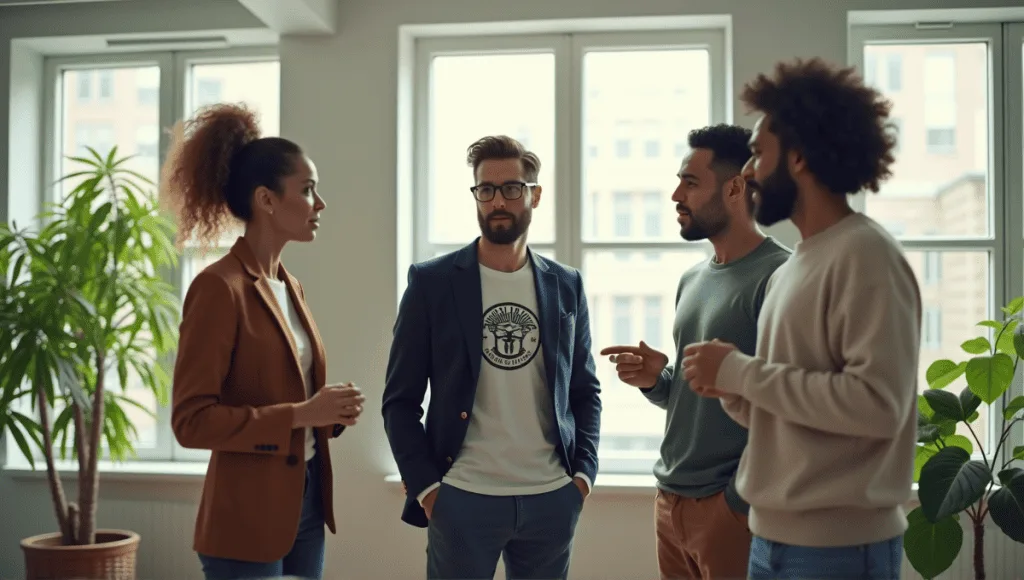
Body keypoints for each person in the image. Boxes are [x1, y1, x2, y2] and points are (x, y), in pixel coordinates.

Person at [681, 58, 920, 580]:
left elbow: (878, 406)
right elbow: (796, 408)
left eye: (758, 154)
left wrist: (741, 373)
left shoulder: (867, 255)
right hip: (772, 541)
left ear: (801, 157)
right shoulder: (799, 264)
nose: (746, 172)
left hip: (837, 552)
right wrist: (733, 389)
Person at [381, 135, 602, 580]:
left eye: (512, 188)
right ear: (476, 195)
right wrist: (428, 489)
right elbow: (400, 400)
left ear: (534, 194)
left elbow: (584, 389)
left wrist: (582, 477)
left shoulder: (566, 284)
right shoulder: (433, 282)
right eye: (486, 189)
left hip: (551, 498)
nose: (498, 200)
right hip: (463, 495)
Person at [164, 103, 365, 580]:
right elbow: (191, 422)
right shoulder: (219, 288)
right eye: (308, 189)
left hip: (308, 503)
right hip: (245, 517)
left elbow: (285, 395)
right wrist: (301, 414)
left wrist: (329, 414)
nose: (320, 204)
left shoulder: (289, 285)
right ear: (266, 200)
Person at [600, 124, 791, 580]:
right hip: (670, 501)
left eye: (689, 182)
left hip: (729, 509)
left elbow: (782, 404)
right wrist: (656, 382)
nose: (674, 195)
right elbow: (701, 394)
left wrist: (737, 503)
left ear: (734, 187)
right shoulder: (693, 279)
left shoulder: (780, 276)